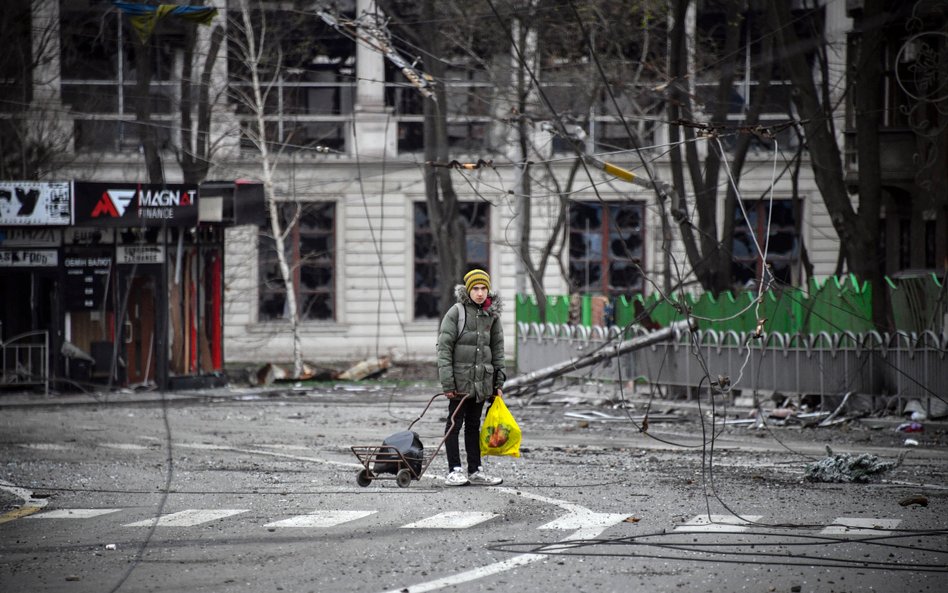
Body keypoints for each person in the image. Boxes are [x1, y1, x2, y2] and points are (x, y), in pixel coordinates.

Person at [437, 268, 506, 486]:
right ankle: (454, 470)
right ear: (468, 290)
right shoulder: (456, 313)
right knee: (454, 424)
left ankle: (475, 470)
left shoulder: (491, 316)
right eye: (475, 288)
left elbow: (498, 350)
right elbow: (444, 349)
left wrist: (498, 382)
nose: (479, 293)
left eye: (483, 288)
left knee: (474, 425)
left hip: (481, 383)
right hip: (459, 382)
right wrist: (448, 382)